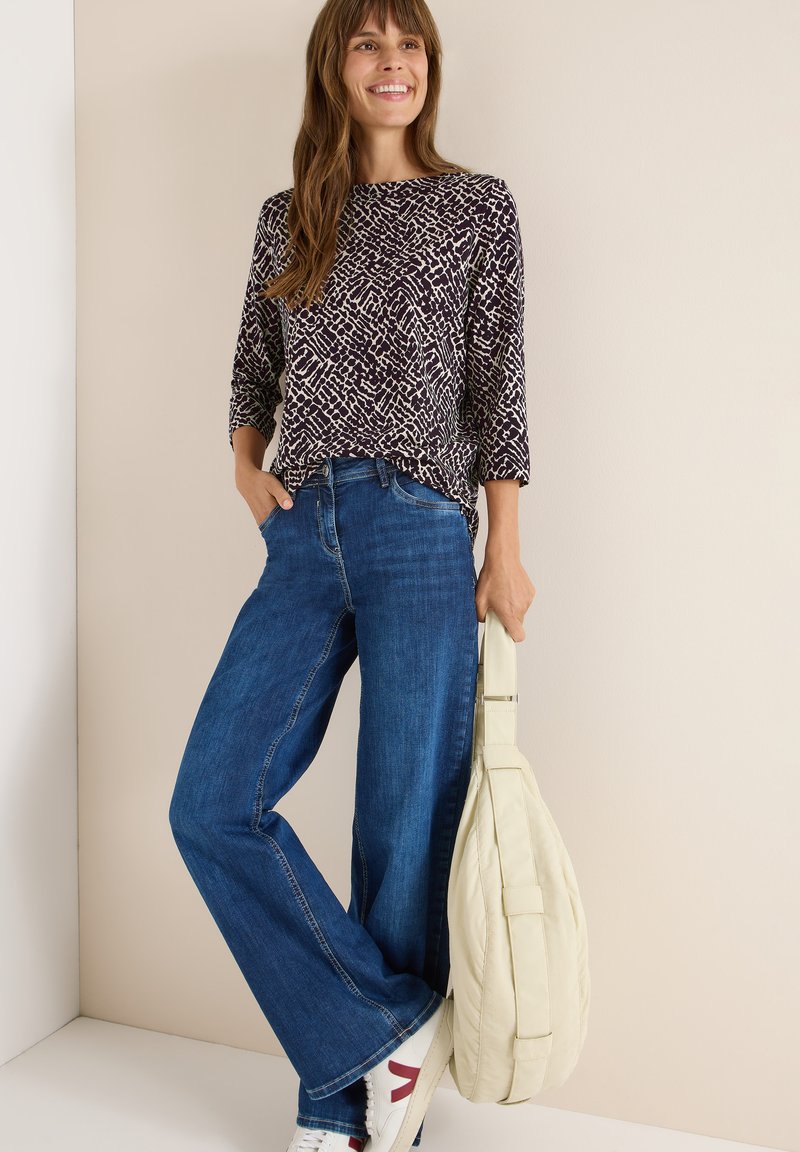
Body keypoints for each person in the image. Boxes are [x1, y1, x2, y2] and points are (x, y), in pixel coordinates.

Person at [168, 1, 536, 1150]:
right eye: (367, 44)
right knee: (212, 804)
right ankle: (388, 1031)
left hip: (421, 526)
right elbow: (253, 367)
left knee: (399, 826)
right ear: (333, 67)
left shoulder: (475, 206)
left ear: (429, 65)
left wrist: (503, 546)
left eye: (407, 44)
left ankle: (353, 1114)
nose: (391, 63)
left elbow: (498, 385)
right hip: (302, 527)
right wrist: (245, 469)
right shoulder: (289, 216)